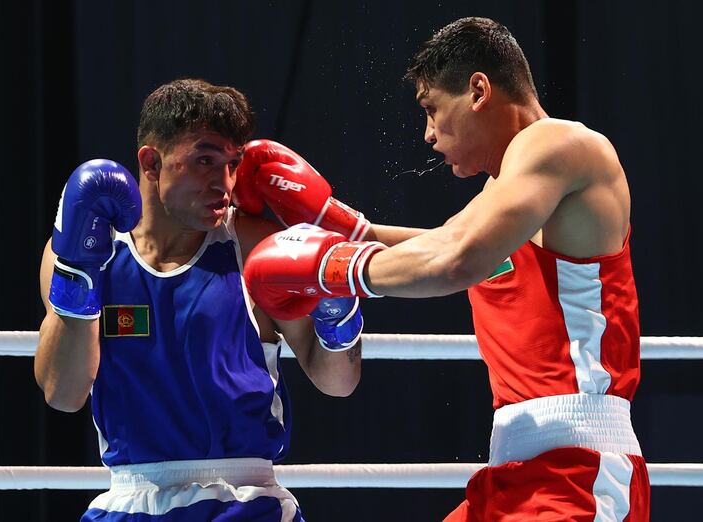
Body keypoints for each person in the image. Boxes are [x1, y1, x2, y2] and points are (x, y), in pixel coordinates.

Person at [237, 17, 649, 522]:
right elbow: (439, 246)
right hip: (517, 470)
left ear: (478, 90)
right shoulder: (502, 194)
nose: (428, 134)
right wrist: (328, 220)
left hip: (579, 471)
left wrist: (332, 266)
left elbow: (455, 261)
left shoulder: (560, 144)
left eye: (432, 110)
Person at [34, 78, 365, 521]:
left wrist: (337, 304)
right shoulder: (87, 251)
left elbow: (337, 381)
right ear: (151, 163)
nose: (223, 183)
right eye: (204, 160)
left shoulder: (255, 246)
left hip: (248, 501)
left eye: (232, 163)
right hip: (131, 499)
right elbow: (63, 393)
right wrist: (78, 277)